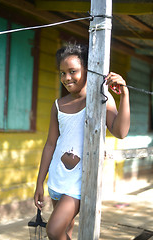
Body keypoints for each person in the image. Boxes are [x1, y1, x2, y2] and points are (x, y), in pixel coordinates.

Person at [34, 43, 130, 240]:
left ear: (87, 70)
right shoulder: (58, 105)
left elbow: (120, 132)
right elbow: (51, 144)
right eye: (62, 73)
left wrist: (125, 94)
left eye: (73, 71)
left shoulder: (101, 99)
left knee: (53, 231)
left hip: (79, 183)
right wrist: (39, 183)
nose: (67, 78)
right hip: (56, 180)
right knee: (65, 231)